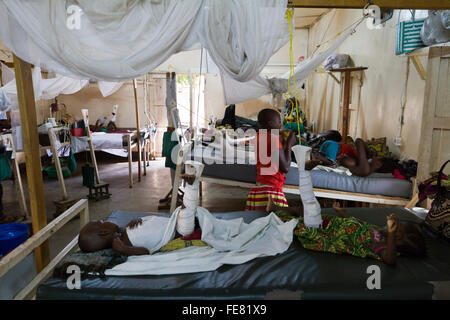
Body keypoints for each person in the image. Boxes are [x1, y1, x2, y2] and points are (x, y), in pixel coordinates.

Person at [272, 201, 426, 265]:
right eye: (396, 226)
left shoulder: (380, 247)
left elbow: (390, 260)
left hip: (326, 235)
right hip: (331, 223)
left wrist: (391, 235)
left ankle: (278, 216)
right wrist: (342, 212)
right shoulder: (377, 229)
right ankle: (275, 208)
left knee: (298, 223)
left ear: (396, 241)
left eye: (396, 230)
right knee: (305, 210)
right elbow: (356, 223)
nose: (392, 227)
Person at [245, 108, 305, 215]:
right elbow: (285, 168)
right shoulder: (273, 139)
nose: (281, 125)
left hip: (258, 189)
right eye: (279, 122)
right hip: (272, 192)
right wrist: (289, 145)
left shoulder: (259, 136)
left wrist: (283, 140)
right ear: (270, 123)